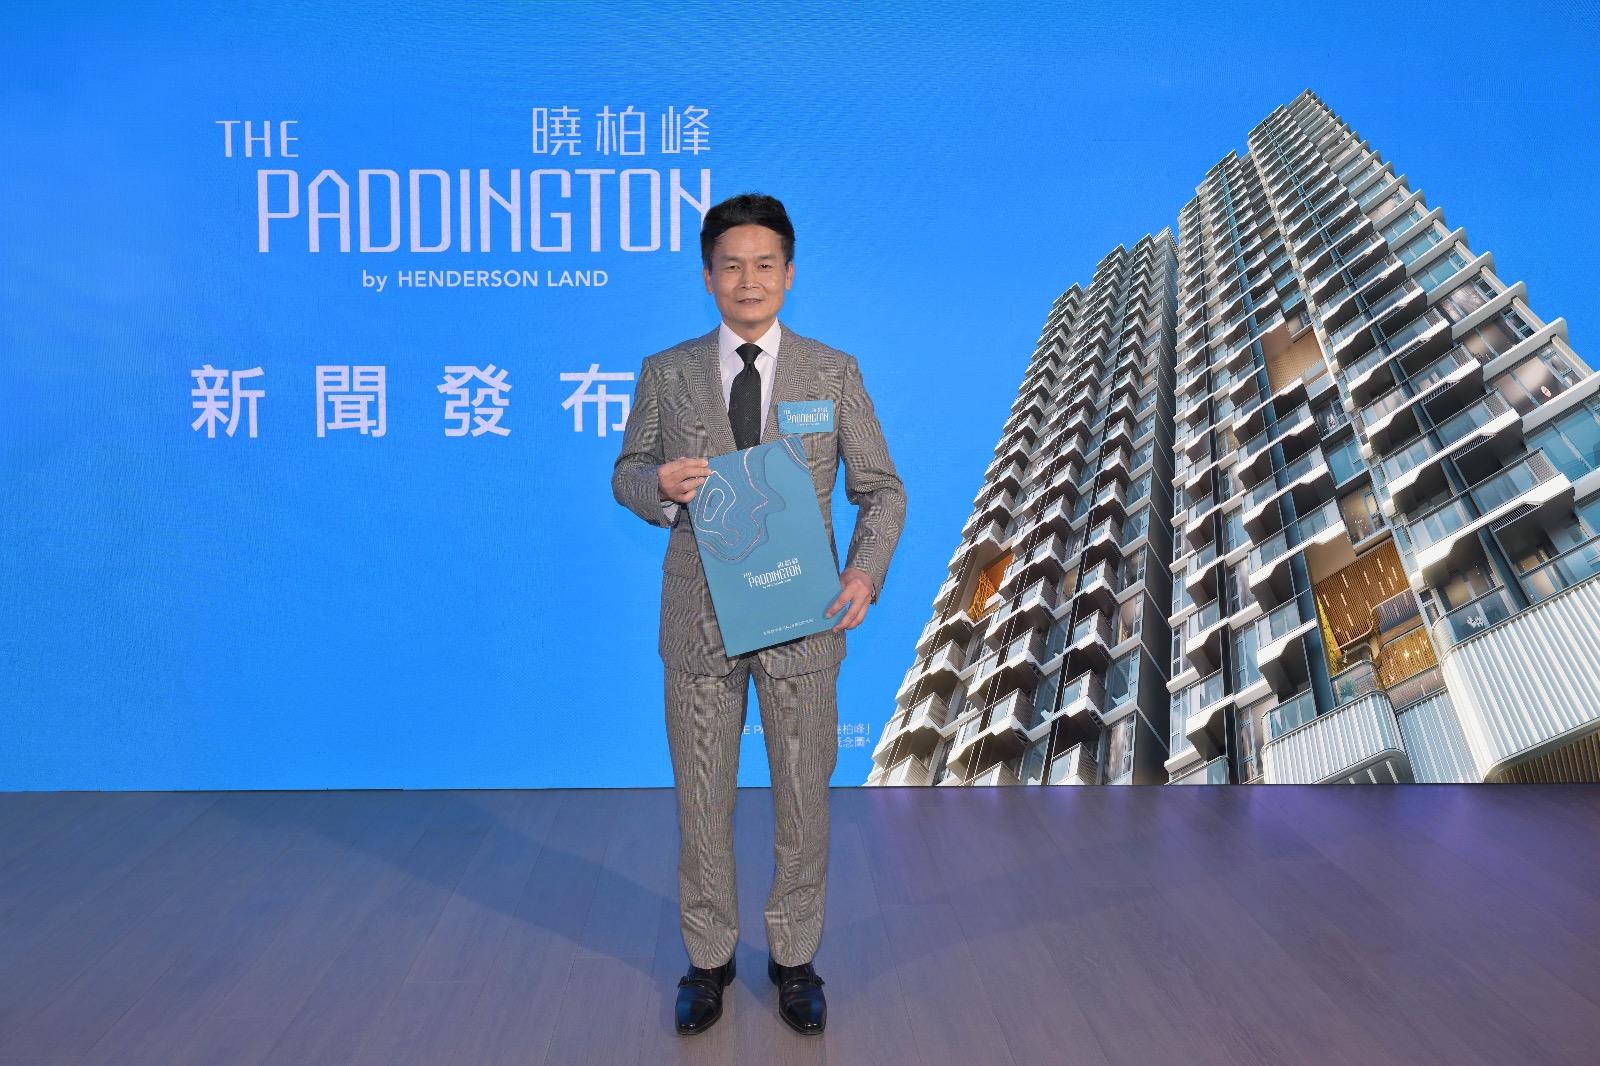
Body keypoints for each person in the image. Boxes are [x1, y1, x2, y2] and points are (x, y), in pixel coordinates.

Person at [611, 192, 906, 1036]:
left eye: (764, 264)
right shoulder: (667, 371)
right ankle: (707, 961)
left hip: (802, 615)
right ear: (707, 276)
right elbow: (626, 472)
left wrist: (864, 573)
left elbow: (882, 490)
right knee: (702, 801)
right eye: (731, 265)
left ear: (789, 273)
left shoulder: (832, 371)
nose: (749, 280)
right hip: (699, 619)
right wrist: (657, 487)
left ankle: (794, 959)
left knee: (803, 803)